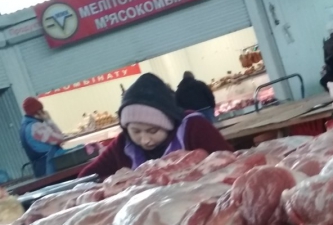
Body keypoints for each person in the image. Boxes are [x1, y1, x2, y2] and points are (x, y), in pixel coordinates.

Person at [78, 72, 232, 180]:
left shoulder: (194, 127)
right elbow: (86, 179)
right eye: (136, 131)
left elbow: (232, 163)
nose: (145, 140)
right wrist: (115, 183)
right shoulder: (123, 144)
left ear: (168, 124)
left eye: (153, 130)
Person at [20, 97, 67, 178]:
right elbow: (60, 138)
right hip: (49, 167)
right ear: (39, 111)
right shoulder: (36, 127)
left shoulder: (24, 127)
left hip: (40, 168)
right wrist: (49, 120)